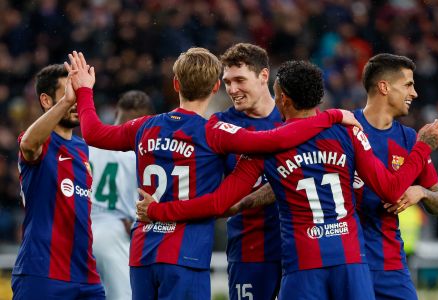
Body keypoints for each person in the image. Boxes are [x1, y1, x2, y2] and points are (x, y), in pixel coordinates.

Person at [138, 60, 438, 300]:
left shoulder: (268, 144)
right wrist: (422, 148)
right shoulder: (349, 130)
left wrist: (160, 211)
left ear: (282, 98)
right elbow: (390, 188)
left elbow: (221, 201)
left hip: (303, 263)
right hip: (350, 261)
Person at [66, 50, 359, 300]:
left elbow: (93, 133)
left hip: (143, 252)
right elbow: (274, 142)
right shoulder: (214, 131)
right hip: (186, 256)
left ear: (175, 83)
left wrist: (84, 91)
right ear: (216, 86)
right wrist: (331, 115)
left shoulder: (145, 125)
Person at [353, 53, 438, 300]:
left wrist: (421, 192)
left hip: (391, 267)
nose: (415, 93)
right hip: (349, 263)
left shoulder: (409, 139)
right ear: (384, 87)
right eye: (408, 84)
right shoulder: (345, 128)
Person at [12, 64, 104, 299]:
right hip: (43, 272)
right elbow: (28, 145)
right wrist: (65, 101)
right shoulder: (38, 141)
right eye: (66, 92)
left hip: (86, 275)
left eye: (76, 93)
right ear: (45, 100)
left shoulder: (84, 148)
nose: (74, 100)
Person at [216, 43, 282, 300]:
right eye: (227, 82)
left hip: (298, 252)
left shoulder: (293, 119)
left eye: (240, 80)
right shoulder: (220, 126)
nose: (232, 90)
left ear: (264, 75)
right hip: (248, 252)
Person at [90, 90, 153, 300]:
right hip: (117, 230)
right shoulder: (141, 152)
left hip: (80, 229)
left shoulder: (89, 145)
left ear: (117, 112)